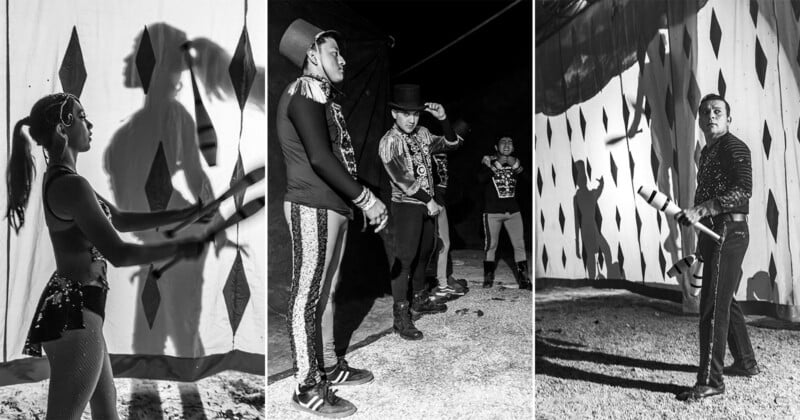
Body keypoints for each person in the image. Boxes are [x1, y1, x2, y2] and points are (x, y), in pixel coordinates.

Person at [5, 92, 209, 420]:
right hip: (76, 315)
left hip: (77, 312)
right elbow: (119, 252)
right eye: (81, 116)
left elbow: (121, 220)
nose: (89, 124)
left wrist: (185, 215)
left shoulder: (68, 180)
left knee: (106, 413)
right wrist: (179, 248)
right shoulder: (71, 186)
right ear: (62, 128)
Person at [277, 19, 388, 418]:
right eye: (333, 52)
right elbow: (321, 158)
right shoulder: (303, 90)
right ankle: (307, 386)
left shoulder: (324, 96)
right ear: (311, 54)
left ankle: (327, 364)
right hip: (312, 204)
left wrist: (353, 201)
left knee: (327, 291)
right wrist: (365, 198)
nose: (342, 60)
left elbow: (337, 158)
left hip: (333, 206)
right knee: (306, 295)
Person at [676, 94, 759, 401]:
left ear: (728, 119)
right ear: (699, 119)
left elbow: (743, 190)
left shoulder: (735, 147)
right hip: (713, 231)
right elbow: (705, 194)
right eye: (705, 112)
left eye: (717, 111)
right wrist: (700, 233)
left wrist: (701, 210)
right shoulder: (707, 153)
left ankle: (711, 380)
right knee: (723, 297)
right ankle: (746, 362)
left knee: (712, 303)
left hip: (729, 230)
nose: (711, 115)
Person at [379, 84, 463, 340]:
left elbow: (451, 144)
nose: (411, 119)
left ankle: (419, 299)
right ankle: (400, 316)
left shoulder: (423, 133)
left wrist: (443, 119)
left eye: (415, 114)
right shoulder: (389, 141)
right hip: (407, 206)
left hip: (427, 206)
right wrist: (429, 200)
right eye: (406, 114)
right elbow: (402, 179)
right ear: (394, 114)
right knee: (404, 259)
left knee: (425, 252)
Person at [479, 136, 532, 290]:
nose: (507, 145)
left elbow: (529, 181)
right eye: (503, 142)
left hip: (513, 212)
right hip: (492, 213)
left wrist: (517, 167)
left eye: (510, 142)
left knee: (519, 245)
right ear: (496, 147)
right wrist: (497, 164)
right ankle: (488, 279)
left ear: (513, 148)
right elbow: (480, 179)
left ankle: (524, 280)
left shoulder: (516, 162)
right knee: (491, 245)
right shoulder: (487, 161)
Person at [426, 119, 469, 300]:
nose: (457, 145)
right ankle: (427, 285)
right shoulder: (432, 145)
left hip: (441, 201)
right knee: (432, 245)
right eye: (456, 140)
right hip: (430, 200)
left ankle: (443, 282)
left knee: (445, 244)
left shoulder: (447, 154)